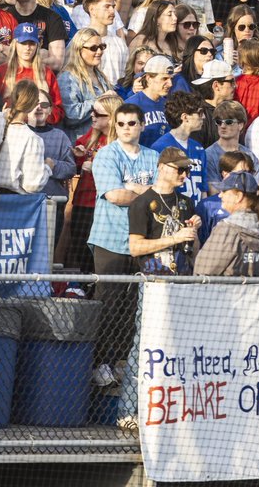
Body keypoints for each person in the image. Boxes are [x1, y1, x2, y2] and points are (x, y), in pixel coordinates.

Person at [88, 102, 158, 384]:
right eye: (121, 123)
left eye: (132, 123)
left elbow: (164, 192)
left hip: (142, 241)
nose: (127, 128)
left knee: (134, 306)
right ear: (114, 126)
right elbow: (115, 195)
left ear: (142, 125)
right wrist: (147, 194)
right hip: (111, 238)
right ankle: (99, 362)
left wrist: (132, 188)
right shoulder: (106, 155)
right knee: (109, 302)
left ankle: (120, 360)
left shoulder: (153, 156)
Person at [128, 146, 200, 276]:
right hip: (153, 280)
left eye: (187, 170)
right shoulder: (142, 203)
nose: (184, 175)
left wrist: (193, 231)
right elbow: (135, 248)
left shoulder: (187, 202)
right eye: (180, 169)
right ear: (162, 167)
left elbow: (194, 248)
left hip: (184, 279)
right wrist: (174, 239)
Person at [193, 171, 259, 277]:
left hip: (225, 292)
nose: (220, 195)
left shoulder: (227, 229)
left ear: (238, 196)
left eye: (224, 191)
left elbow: (203, 271)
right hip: (256, 292)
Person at [0, 80, 51, 194]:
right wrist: (48, 167)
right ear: (34, 104)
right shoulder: (32, 139)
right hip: (12, 202)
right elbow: (32, 185)